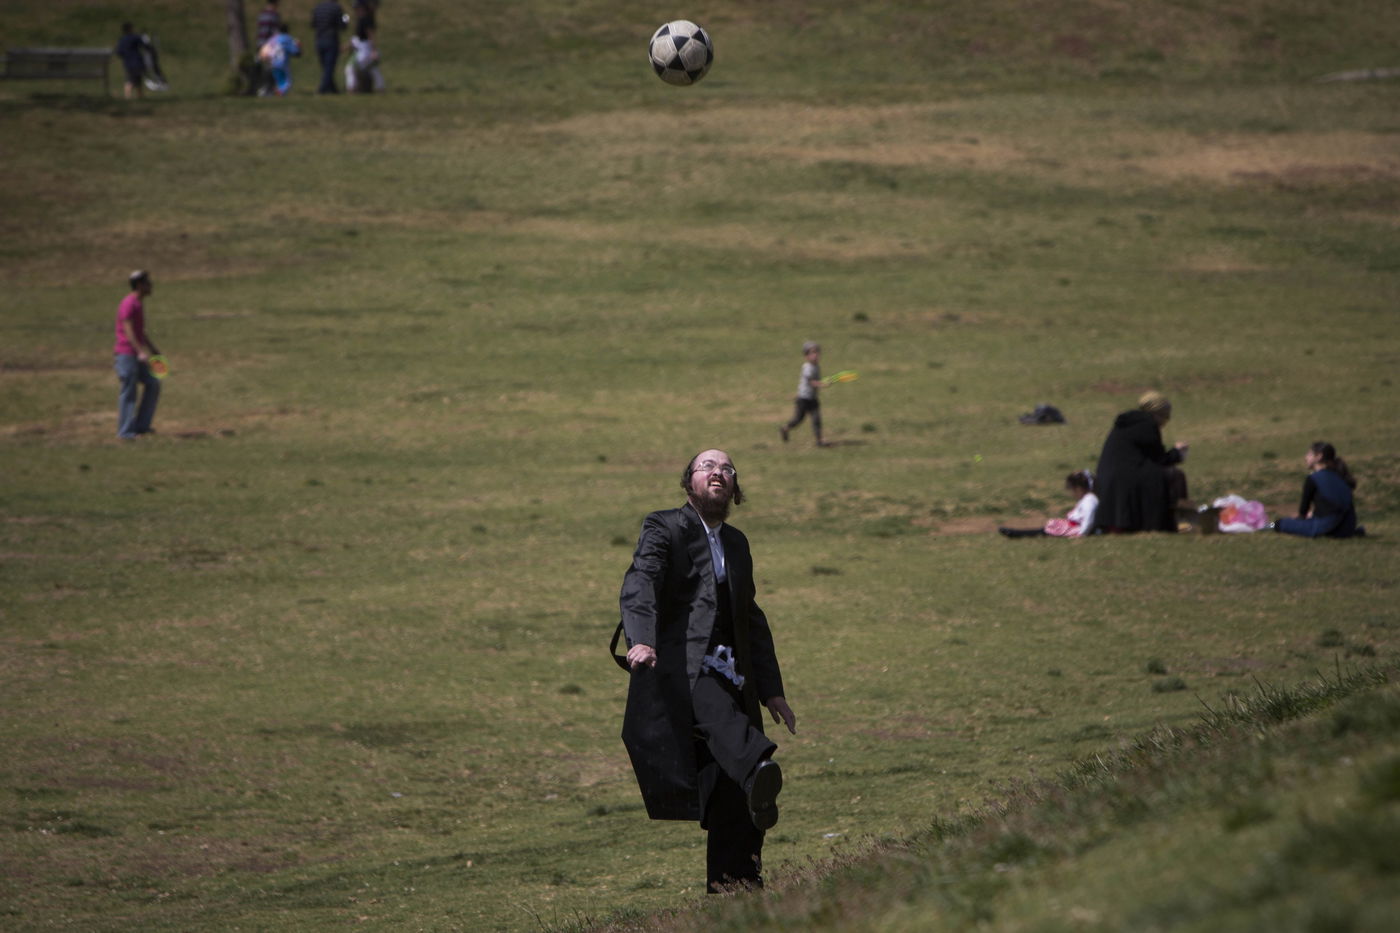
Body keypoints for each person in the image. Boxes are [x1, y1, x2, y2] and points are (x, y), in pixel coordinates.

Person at [615, 448, 797, 893]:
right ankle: (757, 761)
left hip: (735, 672)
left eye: (728, 468)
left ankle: (735, 891)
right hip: (681, 667)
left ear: (734, 487)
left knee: (733, 793)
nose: (719, 472)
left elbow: (750, 616)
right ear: (689, 482)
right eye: (708, 466)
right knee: (734, 736)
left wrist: (771, 690)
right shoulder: (664, 527)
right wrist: (641, 638)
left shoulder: (737, 544)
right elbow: (641, 580)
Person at [1093, 392, 1189, 533]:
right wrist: (1178, 453)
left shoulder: (1127, 424)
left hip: (1111, 477)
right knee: (1174, 475)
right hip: (1127, 477)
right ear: (1159, 413)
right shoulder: (1147, 425)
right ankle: (1181, 519)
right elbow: (1159, 459)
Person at [1273, 442, 1363, 538]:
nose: (1305, 457)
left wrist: (1300, 518)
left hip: (1327, 527)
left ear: (1319, 456)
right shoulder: (1339, 476)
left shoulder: (1314, 478)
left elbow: (1303, 511)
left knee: (1281, 523)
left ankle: (1269, 525)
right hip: (1347, 529)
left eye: (1309, 454)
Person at [113, 270, 162, 439]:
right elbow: (128, 330)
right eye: (148, 282)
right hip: (126, 354)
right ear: (140, 285)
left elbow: (140, 331)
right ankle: (125, 432)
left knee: (153, 383)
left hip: (137, 354)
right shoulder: (129, 303)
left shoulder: (138, 303)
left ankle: (142, 426)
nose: (151, 285)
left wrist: (152, 348)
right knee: (129, 392)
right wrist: (140, 352)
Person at [999, 470, 1098, 538]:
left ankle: (1015, 533)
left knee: (1044, 532)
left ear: (1079, 488)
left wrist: (1081, 534)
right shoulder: (1086, 499)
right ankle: (1015, 533)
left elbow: (1088, 520)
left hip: (1075, 529)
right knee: (1044, 531)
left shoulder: (1089, 500)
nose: (1072, 493)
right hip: (1073, 526)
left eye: (1072, 489)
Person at [779, 341, 827, 446]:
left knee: (816, 419)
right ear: (806, 356)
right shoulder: (807, 367)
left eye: (817, 352)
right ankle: (785, 428)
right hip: (803, 398)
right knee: (798, 420)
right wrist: (821, 384)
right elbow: (812, 382)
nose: (816, 355)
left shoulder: (816, 366)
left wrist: (821, 383)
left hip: (813, 398)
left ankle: (819, 441)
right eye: (812, 353)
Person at [310, 0, 347, 93]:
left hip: (319, 39)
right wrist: (346, 20)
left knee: (326, 67)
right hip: (331, 39)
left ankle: (333, 89)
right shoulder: (336, 8)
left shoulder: (318, 7)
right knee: (329, 67)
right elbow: (342, 25)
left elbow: (313, 24)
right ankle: (322, 89)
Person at [260, 24, 302, 97]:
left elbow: (266, 50)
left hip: (272, 63)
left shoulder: (273, 39)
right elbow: (295, 52)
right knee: (287, 83)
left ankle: (270, 92)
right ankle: (277, 93)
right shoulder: (287, 39)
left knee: (279, 82)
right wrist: (298, 46)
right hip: (282, 63)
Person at [253, 0, 283, 95]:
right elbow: (276, 32)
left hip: (260, 44)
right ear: (274, 4)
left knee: (261, 66)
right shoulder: (275, 15)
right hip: (270, 45)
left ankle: (259, 87)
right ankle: (268, 89)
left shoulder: (261, 15)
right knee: (270, 68)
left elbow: (259, 29)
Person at [113, 22, 149, 99]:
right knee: (134, 79)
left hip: (127, 62)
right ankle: (128, 95)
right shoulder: (135, 37)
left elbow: (119, 52)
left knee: (133, 77)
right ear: (130, 29)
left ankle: (139, 95)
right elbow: (144, 45)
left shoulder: (122, 39)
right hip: (136, 61)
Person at [344, 24, 383, 93]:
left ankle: (352, 88)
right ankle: (380, 88)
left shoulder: (357, 39)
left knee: (349, 69)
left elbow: (348, 46)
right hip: (372, 57)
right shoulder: (366, 38)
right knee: (374, 70)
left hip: (363, 57)